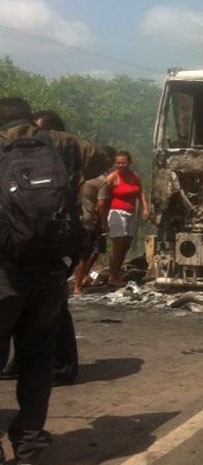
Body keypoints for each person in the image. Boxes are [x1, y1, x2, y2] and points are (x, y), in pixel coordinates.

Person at [0, 97, 106, 464]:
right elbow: (103, 161)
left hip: (4, 273)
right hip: (50, 273)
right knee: (37, 359)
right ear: (30, 119)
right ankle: (29, 443)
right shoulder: (63, 143)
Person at [73, 146, 115, 295]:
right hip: (89, 221)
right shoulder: (101, 181)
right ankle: (77, 286)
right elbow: (102, 204)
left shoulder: (80, 175)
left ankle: (79, 280)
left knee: (83, 253)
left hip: (75, 219)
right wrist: (104, 223)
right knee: (85, 255)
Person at [106, 150, 149, 287]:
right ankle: (113, 276)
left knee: (126, 245)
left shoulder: (134, 176)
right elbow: (103, 196)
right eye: (118, 163)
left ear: (129, 163)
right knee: (118, 245)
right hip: (117, 212)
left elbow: (140, 192)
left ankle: (117, 272)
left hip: (132, 212)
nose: (121, 165)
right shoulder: (112, 177)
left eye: (123, 163)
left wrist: (145, 208)